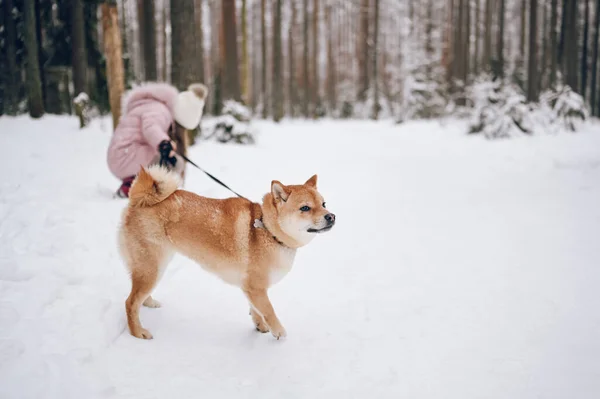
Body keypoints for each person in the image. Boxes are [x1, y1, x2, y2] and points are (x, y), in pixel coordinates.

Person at [106, 82, 208, 198]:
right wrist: (164, 143)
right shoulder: (160, 111)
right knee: (175, 163)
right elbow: (150, 128)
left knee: (169, 161)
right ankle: (134, 187)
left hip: (122, 155)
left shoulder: (155, 106)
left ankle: (136, 183)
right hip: (125, 155)